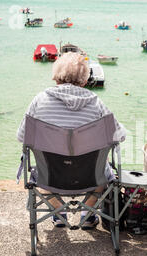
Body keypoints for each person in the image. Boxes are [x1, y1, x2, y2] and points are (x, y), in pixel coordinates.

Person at [17, 52, 126, 229]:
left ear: (56, 76)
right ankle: (87, 215)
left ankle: (59, 212)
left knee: (40, 171)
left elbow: (22, 137)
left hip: (51, 178)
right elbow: (119, 136)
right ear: (84, 79)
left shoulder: (39, 101)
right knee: (104, 169)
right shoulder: (96, 103)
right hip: (90, 177)